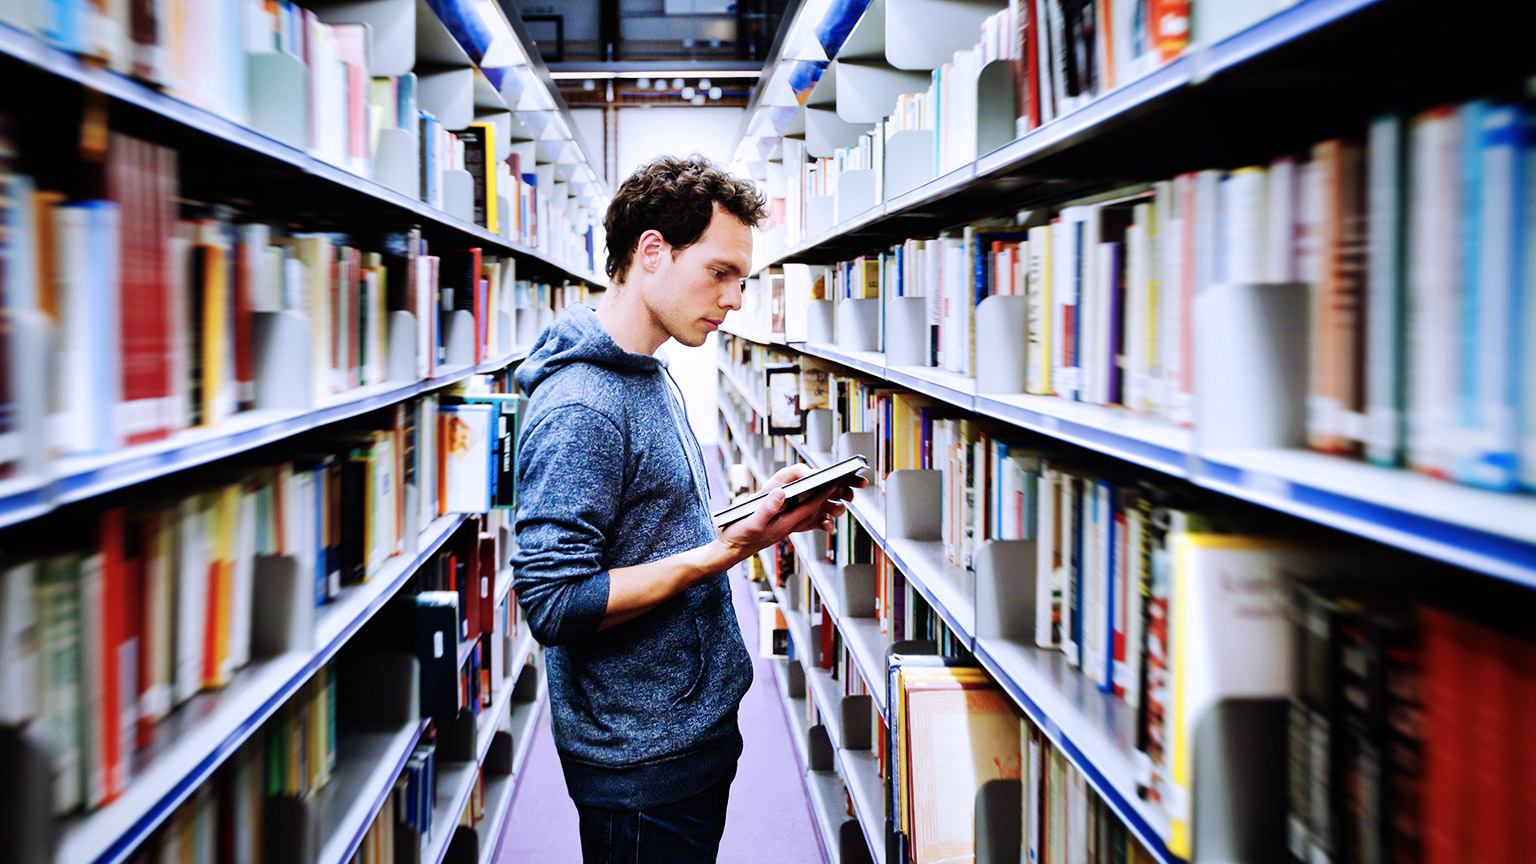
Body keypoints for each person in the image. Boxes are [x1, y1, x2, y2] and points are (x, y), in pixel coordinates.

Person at [511, 154, 863, 863]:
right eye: (720, 272)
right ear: (652, 252)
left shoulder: (648, 371)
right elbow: (554, 601)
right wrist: (727, 551)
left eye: (743, 279)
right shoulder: (583, 405)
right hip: (641, 762)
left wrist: (759, 521)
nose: (735, 299)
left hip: (685, 729)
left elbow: (648, 535)